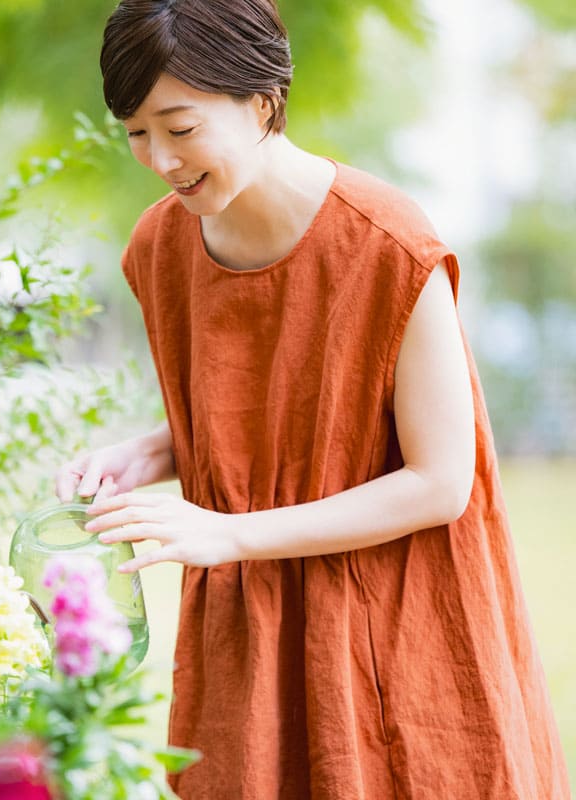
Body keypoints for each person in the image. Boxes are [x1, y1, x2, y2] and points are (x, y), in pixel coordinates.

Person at [55, 1, 570, 797]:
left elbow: (441, 482)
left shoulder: (388, 243)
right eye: (135, 132)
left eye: (180, 128)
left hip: (395, 619)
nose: (158, 158)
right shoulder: (158, 248)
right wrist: (148, 453)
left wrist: (228, 533)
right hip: (249, 635)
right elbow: (268, 406)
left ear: (262, 102)